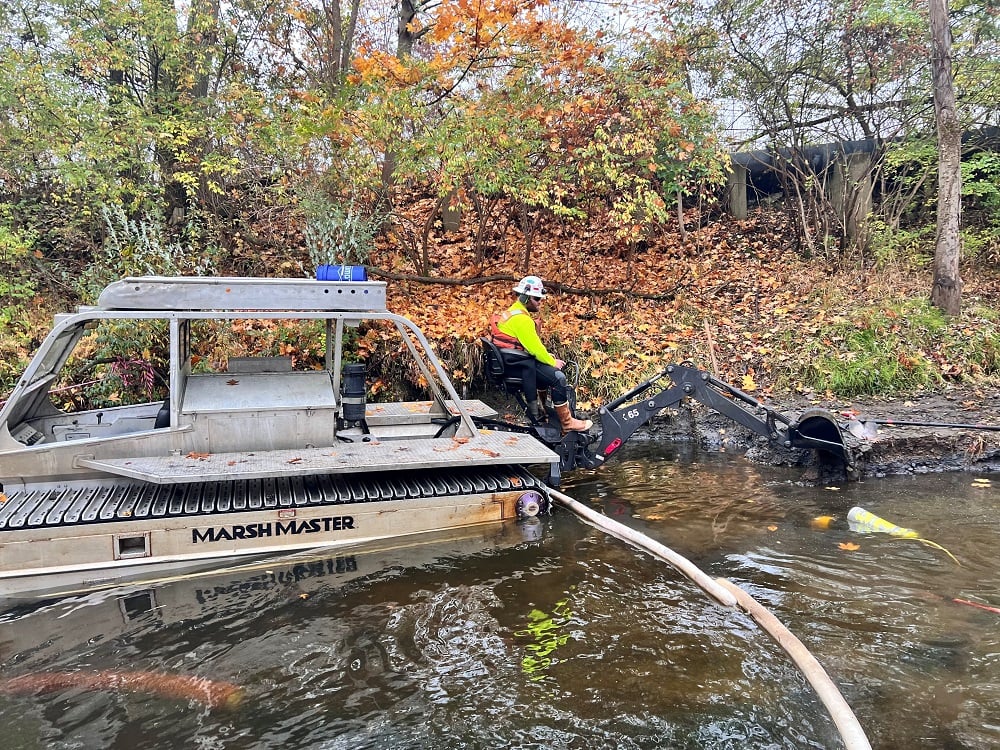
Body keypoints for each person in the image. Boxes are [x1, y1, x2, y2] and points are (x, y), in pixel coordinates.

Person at [488, 275, 593, 433]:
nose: (540, 302)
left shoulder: (511, 313)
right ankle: (567, 422)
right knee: (558, 378)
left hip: (511, 362)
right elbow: (535, 350)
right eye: (537, 298)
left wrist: (547, 357)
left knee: (547, 372)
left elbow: (529, 345)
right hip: (517, 365)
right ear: (526, 298)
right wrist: (553, 363)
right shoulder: (523, 320)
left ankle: (544, 412)